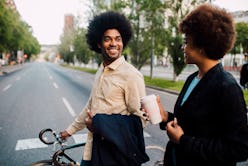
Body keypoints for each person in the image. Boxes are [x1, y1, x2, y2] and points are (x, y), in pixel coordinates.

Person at [149, 4, 248, 166]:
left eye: (186, 42)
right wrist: (165, 117)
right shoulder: (192, 79)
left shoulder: (227, 88)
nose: (183, 47)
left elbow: (238, 148)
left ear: (202, 46)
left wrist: (183, 140)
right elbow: (190, 125)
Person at [59, 11, 149, 166]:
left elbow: (141, 120)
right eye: (108, 39)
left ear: (123, 42)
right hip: (94, 148)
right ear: (99, 44)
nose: (113, 43)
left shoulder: (131, 75)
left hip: (116, 153)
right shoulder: (101, 70)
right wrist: (70, 131)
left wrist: (100, 124)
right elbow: (91, 105)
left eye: (118, 39)